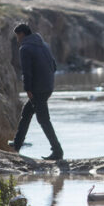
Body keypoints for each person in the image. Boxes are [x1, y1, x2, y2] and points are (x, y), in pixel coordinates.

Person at [8, 24, 64, 161]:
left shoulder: (25, 48)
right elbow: (54, 66)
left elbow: (27, 71)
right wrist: (47, 84)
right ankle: (17, 144)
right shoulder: (44, 45)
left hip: (37, 89)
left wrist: (28, 89)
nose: (17, 40)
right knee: (26, 113)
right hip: (47, 87)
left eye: (17, 36)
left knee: (43, 119)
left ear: (22, 34)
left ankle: (57, 151)